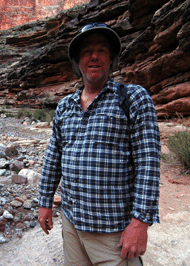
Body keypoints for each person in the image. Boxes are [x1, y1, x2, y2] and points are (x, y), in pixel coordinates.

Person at [38, 23, 161, 265]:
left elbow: (149, 163)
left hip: (113, 231)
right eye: (86, 52)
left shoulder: (133, 98)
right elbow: (54, 157)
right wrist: (44, 202)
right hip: (72, 226)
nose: (93, 56)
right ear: (77, 62)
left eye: (102, 50)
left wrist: (140, 223)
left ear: (112, 60)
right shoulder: (65, 106)